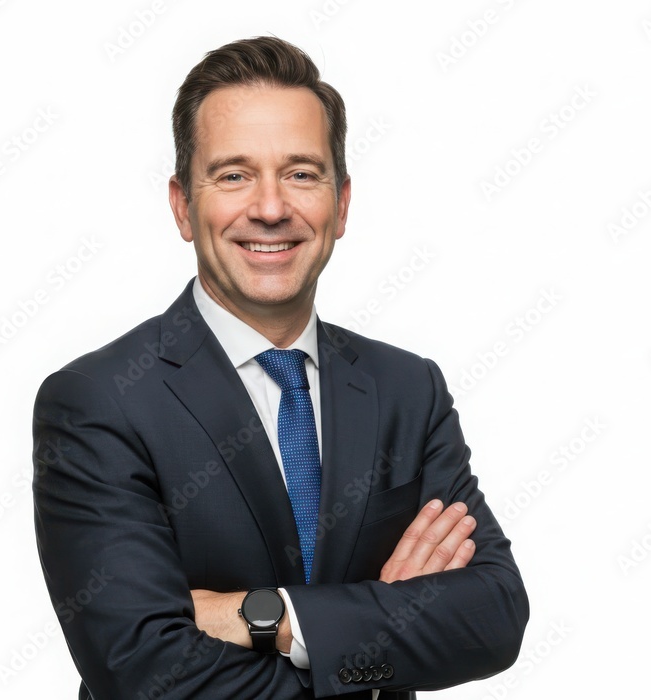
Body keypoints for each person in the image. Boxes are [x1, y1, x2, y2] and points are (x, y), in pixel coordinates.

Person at [32, 36, 528, 700]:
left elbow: (493, 616)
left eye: (301, 173)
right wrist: (377, 631)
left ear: (341, 204)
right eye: (233, 175)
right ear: (182, 206)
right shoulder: (98, 401)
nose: (270, 208)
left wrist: (266, 617)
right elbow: (145, 673)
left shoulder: (408, 390)